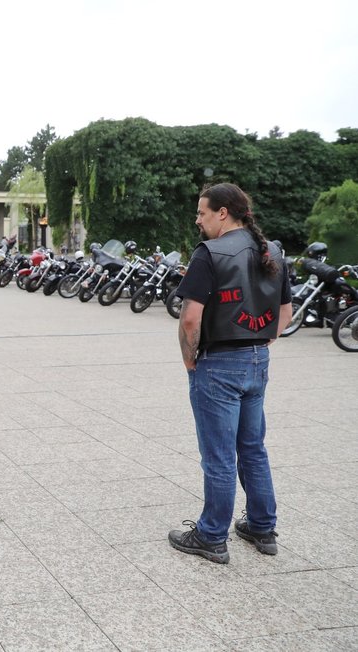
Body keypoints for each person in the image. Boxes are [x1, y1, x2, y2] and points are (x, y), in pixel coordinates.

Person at [169, 183, 292, 564]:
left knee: (219, 455)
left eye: (202, 213)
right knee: (253, 449)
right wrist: (261, 342)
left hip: (218, 362)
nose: (198, 219)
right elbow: (285, 314)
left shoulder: (209, 253)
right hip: (257, 360)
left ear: (223, 213)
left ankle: (210, 536)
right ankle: (261, 526)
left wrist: (190, 360)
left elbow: (191, 317)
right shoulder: (272, 251)